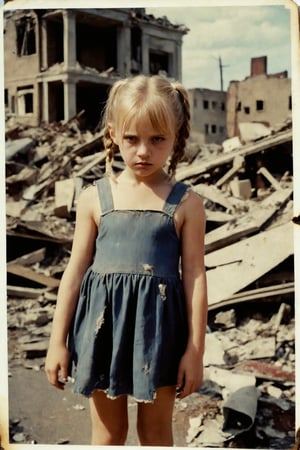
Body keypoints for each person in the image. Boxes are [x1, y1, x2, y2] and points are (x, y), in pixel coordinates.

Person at [45, 74, 208, 446]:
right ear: (114, 134)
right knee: (108, 434)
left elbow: (195, 278)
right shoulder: (93, 198)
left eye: (157, 139)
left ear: (176, 136)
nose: (143, 152)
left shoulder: (187, 204)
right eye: (132, 139)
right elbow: (74, 273)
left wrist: (194, 351)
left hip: (160, 335)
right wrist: (57, 341)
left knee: (154, 434)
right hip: (102, 332)